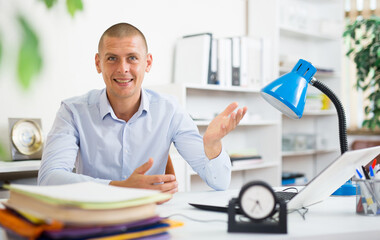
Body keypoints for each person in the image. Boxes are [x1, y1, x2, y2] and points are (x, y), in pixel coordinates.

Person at [38, 23, 247, 197]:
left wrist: (212, 146)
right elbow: (48, 179)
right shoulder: (72, 111)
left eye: (132, 58)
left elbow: (220, 183)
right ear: (98, 63)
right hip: (94, 217)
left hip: (151, 216)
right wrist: (118, 187)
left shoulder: (170, 110)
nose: (122, 68)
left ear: (147, 63)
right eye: (112, 58)